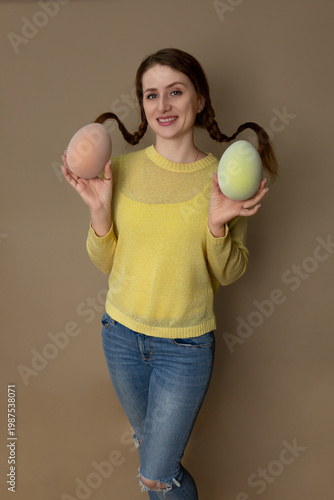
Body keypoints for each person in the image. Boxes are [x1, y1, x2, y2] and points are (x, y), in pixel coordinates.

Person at [62, 48, 278, 499]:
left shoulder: (222, 179)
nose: (162, 106)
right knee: (150, 452)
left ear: (199, 99)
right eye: (151, 95)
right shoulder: (119, 170)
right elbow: (106, 262)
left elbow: (232, 270)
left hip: (184, 348)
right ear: (142, 104)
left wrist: (217, 225)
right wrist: (100, 215)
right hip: (120, 336)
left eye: (175, 92)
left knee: (157, 474)